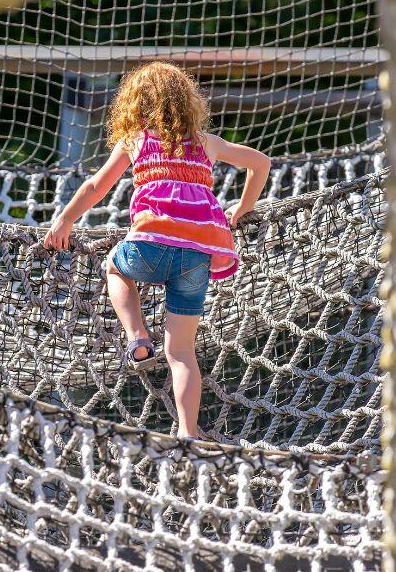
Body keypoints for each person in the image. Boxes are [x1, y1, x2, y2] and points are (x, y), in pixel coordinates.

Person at [44, 62, 270, 439]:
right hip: (196, 256)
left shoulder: (135, 140)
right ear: (188, 102)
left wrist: (65, 220)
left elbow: (96, 187)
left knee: (115, 267)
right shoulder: (207, 143)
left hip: (150, 244)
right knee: (181, 352)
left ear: (134, 104)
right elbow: (261, 163)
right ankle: (188, 432)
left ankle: (137, 337)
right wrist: (242, 209)